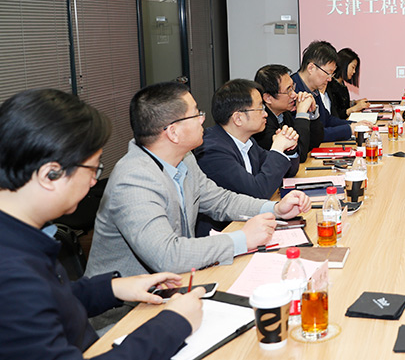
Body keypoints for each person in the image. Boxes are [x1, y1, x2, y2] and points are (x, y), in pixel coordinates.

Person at [0, 89, 205, 359]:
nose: (94, 181)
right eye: (93, 169)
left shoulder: (20, 234)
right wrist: (174, 324)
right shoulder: (11, 272)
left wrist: (113, 288)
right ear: (50, 174)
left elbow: (50, 297)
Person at [86, 82, 311, 280]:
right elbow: (167, 255)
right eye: (196, 115)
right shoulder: (134, 179)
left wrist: (275, 209)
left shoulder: (184, 158)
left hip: (181, 280)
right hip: (128, 305)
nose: (203, 119)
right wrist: (242, 238)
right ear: (173, 132)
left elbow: (221, 201)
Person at [196, 79, 300, 199]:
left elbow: (288, 171)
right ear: (238, 118)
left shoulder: (247, 142)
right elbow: (257, 193)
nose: (265, 114)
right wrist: (278, 148)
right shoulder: (213, 151)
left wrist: (289, 148)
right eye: (260, 108)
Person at [292, 40, 371, 142]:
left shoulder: (314, 89)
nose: (330, 79)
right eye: (328, 73)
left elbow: (327, 119)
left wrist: (355, 125)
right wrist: (349, 129)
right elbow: (313, 136)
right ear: (311, 68)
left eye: (332, 74)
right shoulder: (292, 92)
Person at [253, 64, 323, 163]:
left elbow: (313, 144)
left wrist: (312, 113)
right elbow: (300, 155)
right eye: (288, 90)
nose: (294, 94)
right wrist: (301, 114)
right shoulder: (261, 126)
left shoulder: (284, 114)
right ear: (268, 98)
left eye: (293, 88)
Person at [328, 47, 370, 120]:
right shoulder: (330, 85)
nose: (354, 72)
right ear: (344, 64)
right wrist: (355, 108)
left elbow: (342, 105)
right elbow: (335, 114)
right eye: (353, 67)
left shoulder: (341, 83)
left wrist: (354, 103)